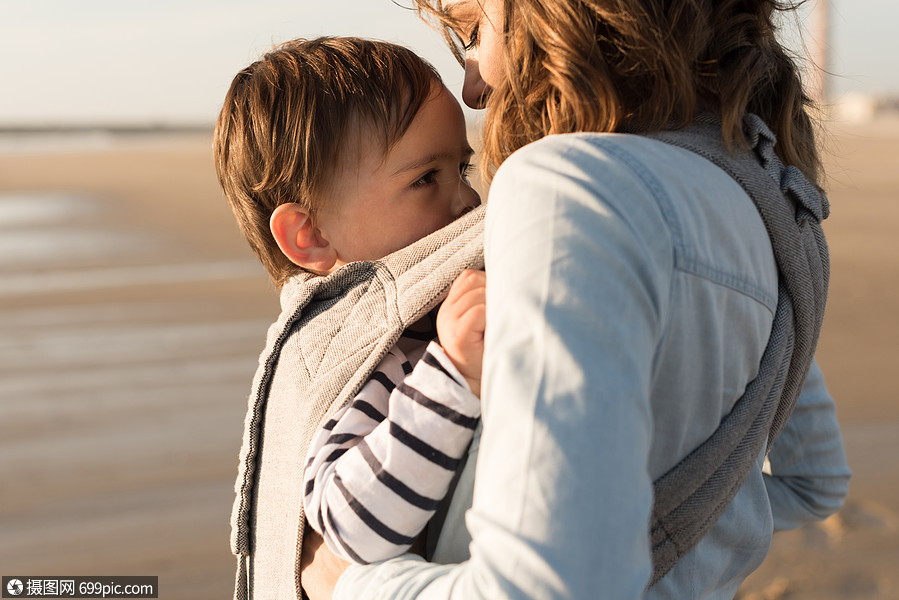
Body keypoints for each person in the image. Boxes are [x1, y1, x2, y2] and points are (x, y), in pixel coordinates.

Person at [300, 0, 852, 598]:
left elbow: (541, 590)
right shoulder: (771, 204)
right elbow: (812, 484)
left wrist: (349, 582)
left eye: (471, 30)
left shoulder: (565, 189)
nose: (473, 85)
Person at [212, 36, 486, 582]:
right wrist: (452, 377)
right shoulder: (375, 351)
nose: (467, 200)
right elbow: (348, 523)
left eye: (463, 168)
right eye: (426, 178)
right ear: (310, 234)